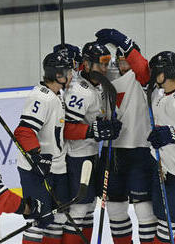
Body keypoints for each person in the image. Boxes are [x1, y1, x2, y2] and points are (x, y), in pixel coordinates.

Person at [95, 28, 158, 244]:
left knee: (144, 211)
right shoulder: (107, 75)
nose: (123, 63)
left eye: (126, 58)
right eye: (119, 59)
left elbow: (142, 69)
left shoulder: (142, 78)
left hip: (139, 151)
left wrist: (124, 41)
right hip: (113, 153)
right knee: (115, 209)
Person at [62, 41, 122, 244]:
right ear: (86, 65)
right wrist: (92, 130)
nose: (105, 69)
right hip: (77, 157)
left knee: (88, 209)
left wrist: (108, 126)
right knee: (79, 210)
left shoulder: (99, 86)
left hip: (90, 154)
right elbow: (65, 128)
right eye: (100, 64)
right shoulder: (80, 91)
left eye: (106, 64)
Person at [14, 50, 74, 244]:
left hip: (56, 166)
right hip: (36, 170)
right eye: (68, 71)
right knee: (39, 222)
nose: (72, 74)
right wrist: (36, 157)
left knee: (58, 218)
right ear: (58, 75)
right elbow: (24, 131)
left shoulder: (56, 96)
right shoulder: (42, 97)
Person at [147, 51, 175, 244]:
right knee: (164, 220)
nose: (152, 76)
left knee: (169, 224)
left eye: (155, 71)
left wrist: (171, 134)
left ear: (164, 73)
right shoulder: (159, 95)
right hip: (164, 169)